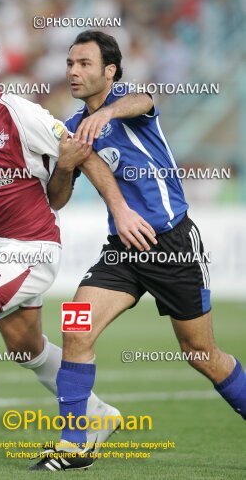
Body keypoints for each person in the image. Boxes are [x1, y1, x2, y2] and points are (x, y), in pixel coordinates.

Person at [0, 35, 157, 452]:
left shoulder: (22, 115)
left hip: (33, 246)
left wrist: (121, 209)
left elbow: (81, 153)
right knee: (27, 349)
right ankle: (97, 414)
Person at [31, 30, 246, 471]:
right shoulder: (70, 129)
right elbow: (56, 199)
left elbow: (145, 99)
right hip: (122, 249)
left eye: (84, 63)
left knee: (201, 354)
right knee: (76, 324)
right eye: (70, 63)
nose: (73, 71)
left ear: (109, 71)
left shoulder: (128, 102)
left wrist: (105, 112)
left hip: (172, 245)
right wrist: (66, 165)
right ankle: (74, 446)